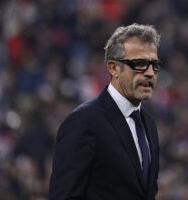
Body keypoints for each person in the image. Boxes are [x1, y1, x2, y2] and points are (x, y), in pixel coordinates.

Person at [49, 23, 161, 200]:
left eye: (154, 65)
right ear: (113, 68)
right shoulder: (83, 122)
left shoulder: (148, 123)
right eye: (140, 63)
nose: (150, 73)